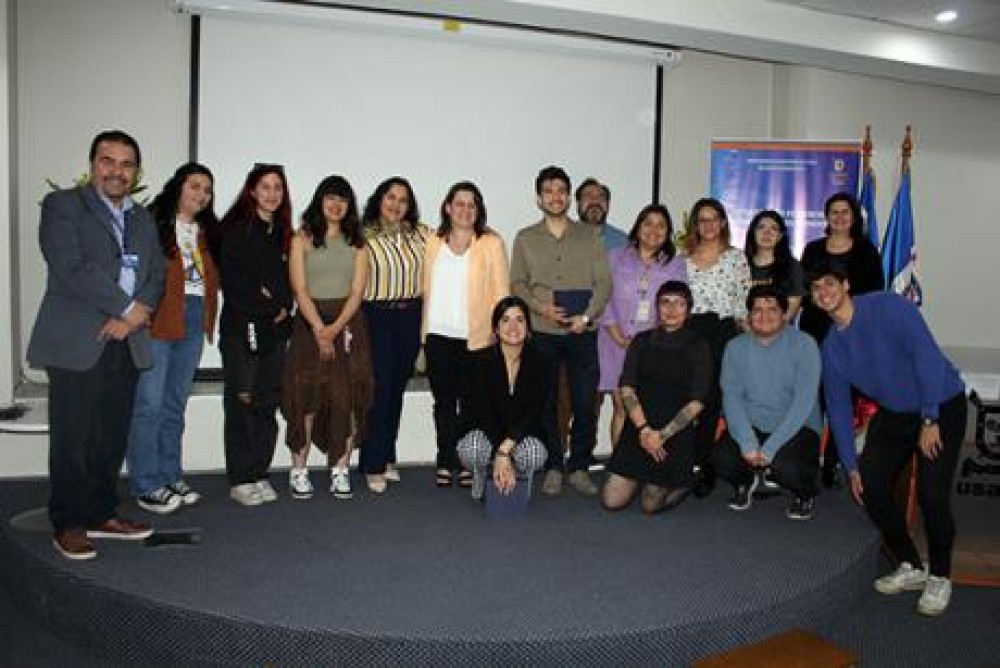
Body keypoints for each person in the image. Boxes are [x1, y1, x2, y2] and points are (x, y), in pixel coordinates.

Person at [27, 130, 164, 560]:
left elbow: (157, 273)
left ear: (136, 172)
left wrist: (138, 311)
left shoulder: (142, 218)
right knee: (74, 437)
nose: (117, 171)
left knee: (110, 434)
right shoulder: (64, 206)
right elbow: (69, 266)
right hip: (77, 340)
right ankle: (68, 522)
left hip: (126, 341)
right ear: (93, 165)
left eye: (126, 164)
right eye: (108, 161)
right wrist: (128, 307)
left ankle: (101, 513)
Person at [808, 262, 966, 616]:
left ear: (845, 284)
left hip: (940, 404)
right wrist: (850, 466)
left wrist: (930, 417)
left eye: (829, 284)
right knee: (870, 487)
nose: (824, 292)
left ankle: (940, 575)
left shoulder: (889, 306)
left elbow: (926, 355)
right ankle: (910, 564)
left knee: (931, 494)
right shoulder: (832, 348)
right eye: (816, 289)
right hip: (895, 414)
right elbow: (836, 406)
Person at [510, 165, 611, 497]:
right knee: (547, 404)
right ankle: (554, 464)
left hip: (582, 333)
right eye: (548, 191)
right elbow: (517, 284)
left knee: (585, 403)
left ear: (569, 197)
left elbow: (604, 283)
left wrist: (587, 315)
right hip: (542, 332)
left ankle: (579, 466)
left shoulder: (589, 236)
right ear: (539, 198)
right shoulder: (525, 238)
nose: (556, 197)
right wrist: (540, 308)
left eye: (561, 191)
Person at [125, 162, 220, 514]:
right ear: (178, 186)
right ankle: (146, 483)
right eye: (195, 186)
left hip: (193, 318)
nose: (202, 195)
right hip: (158, 318)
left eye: (207, 190)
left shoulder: (205, 231)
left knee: (174, 405)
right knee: (149, 404)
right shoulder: (152, 222)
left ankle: (169, 474)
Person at [281, 175, 372, 500]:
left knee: (345, 399)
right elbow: (299, 289)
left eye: (343, 200)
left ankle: (340, 469)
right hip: (309, 324)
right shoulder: (300, 238)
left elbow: (357, 292)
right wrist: (320, 328)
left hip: (348, 324)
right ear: (320, 201)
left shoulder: (358, 243)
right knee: (304, 399)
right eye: (330, 198)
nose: (336, 205)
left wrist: (334, 330)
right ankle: (299, 471)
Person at [423, 181, 509, 489]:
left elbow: (501, 294)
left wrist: (499, 335)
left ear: (479, 210)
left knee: (473, 403)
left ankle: (468, 461)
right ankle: (445, 460)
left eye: (472, 205)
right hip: (438, 336)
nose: (465, 210)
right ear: (448, 207)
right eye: (459, 204)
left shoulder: (491, 243)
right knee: (443, 403)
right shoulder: (432, 242)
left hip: (477, 337)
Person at [217, 164, 293, 506]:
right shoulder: (235, 230)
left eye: (278, 187)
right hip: (241, 331)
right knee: (242, 403)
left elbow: (286, 284)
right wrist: (268, 305)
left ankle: (259, 472)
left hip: (275, 334)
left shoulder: (282, 232)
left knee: (267, 405)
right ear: (251, 190)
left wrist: (278, 305)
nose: (272, 194)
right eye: (265, 187)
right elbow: (237, 287)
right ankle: (240, 477)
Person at [601, 281, 712, 514]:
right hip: (641, 426)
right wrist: (644, 430)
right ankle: (642, 478)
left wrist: (662, 435)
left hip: (674, 431)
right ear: (657, 307)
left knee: (651, 505)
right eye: (665, 302)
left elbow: (697, 402)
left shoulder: (699, 346)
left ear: (688, 309)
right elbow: (627, 388)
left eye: (679, 304)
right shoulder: (641, 341)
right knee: (611, 501)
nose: (671, 310)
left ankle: (684, 483)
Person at [713, 285, 823, 520]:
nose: (764, 316)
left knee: (788, 467)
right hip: (753, 424)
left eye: (772, 309)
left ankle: (805, 493)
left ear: (785, 314)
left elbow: (804, 403)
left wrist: (771, 448)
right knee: (720, 459)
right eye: (757, 310)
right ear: (748, 316)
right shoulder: (735, 347)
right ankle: (746, 480)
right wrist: (747, 443)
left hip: (796, 426)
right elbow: (731, 398)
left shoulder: (805, 344)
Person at [799, 192, 884, 487]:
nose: (839, 217)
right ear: (826, 217)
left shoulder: (866, 251)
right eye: (833, 212)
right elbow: (805, 293)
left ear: (854, 216)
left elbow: (875, 296)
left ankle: (834, 461)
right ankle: (808, 460)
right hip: (816, 332)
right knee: (813, 399)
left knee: (842, 400)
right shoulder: (812, 250)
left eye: (844, 212)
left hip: (852, 335)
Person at [360, 177, 429, 494]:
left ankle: (387, 456)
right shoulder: (362, 234)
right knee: (380, 389)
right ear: (379, 199)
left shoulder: (420, 234)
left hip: (411, 315)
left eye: (403, 200)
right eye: (390, 197)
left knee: (397, 389)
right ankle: (372, 463)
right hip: (377, 316)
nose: (396, 204)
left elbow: (458, 238)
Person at [599, 204, 687, 448]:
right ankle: (618, 467)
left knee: (648, 411)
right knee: (622, 408)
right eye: (648, 223)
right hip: (616, 343)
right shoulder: (615, 257)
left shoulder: (676, 264)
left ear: (668, 232)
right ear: (637, 227)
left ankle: (643, 467)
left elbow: (678, 303)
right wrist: (618, 336)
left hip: (655, 346)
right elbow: (602, 298)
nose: (654, 230)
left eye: (661, 225)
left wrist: (651, 339)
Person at [684, 197, 752, 498]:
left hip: (723, 334)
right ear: (695, 225)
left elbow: (743, 306)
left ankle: (704, 466)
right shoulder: (681, 258)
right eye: (702, 219)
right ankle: (682, 463)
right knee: (688, 400)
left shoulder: (736, 258)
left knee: (712, 402)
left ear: (723, 222)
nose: (708, 225)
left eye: (714, 219)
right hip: (689, 335)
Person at [457, 296, 548, 501]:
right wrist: (502, 454)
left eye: (520, 319)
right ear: (496, 329)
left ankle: (518, 484)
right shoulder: (479, 362)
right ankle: (483, 476)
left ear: (529, 327)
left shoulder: (541, 362)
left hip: (521, 434)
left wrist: (506, 449)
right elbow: (483, 412)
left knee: (535, 453)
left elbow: (534, 412)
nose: (513, 326)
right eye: (505, 320)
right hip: (486, 431)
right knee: (472, 450)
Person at [743, 209, 805, 322]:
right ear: (753, 233)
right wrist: (748, 330)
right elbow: (735, 304)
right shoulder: (739, 265)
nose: (767, 233)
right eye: (761, 227)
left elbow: (791, 308)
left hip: (780, 334)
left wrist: (770, 332)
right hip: (745, 333)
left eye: (774, 228)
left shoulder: (792, 267)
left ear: (780, 236)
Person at [576, 177, 628, 252]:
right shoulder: (563, 238)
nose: (594, 201)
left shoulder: (622, 242)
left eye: (601, 196)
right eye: (588, 195)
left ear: (607, 205)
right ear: (578, 203)